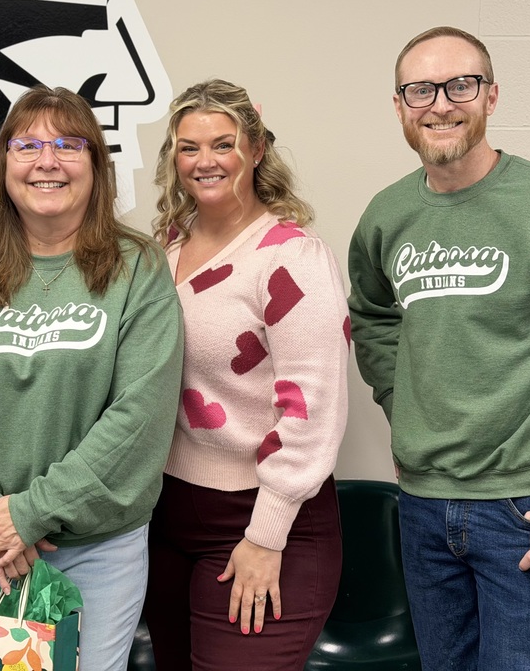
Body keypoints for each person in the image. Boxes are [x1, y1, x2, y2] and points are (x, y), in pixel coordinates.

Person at [347, 26, 530, 670]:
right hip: (424, 506)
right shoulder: (385, 217)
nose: (440, 104)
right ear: (399, 105)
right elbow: (371, 315)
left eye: (461, 85)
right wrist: (403, 404)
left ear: (491, 96)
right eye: (420, 90)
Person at [0, 85, 184, 671]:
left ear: (96, 163)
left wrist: (31, 512)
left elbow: (139, 414)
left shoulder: (138, 265)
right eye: (27, 145)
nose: (47, 161)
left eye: (68, 145)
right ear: (3, 163)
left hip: (98, 549)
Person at [145, 79, 350, 669]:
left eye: (223, 144)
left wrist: (266, 534)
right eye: (189, 147)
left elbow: (312, 408)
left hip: (263, 519)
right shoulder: (164, 248)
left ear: (257, 150)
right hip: (165, 513)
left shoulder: (290, 255)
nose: (204, 161)